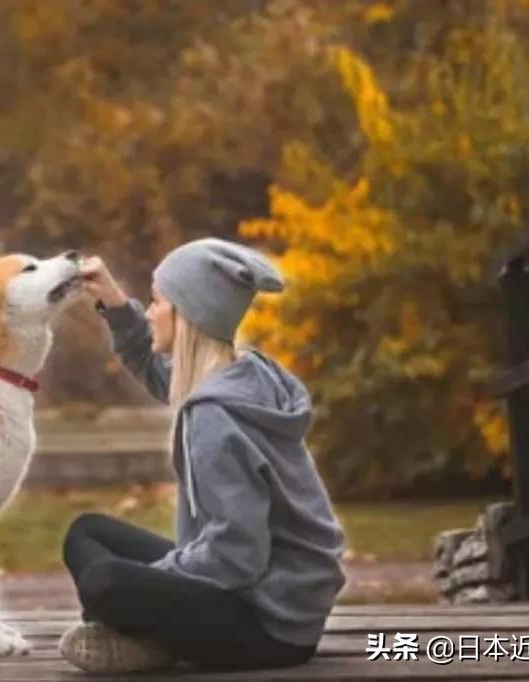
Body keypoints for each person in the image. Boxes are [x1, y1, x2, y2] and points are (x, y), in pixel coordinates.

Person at [58, 238, 347, 674]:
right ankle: (151, 636)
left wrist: (152, 587)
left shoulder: (215, 418)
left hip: (271, 625)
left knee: (105, 583)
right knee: (87, 532)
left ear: (188, 315)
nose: (151, 311)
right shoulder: (241, 371)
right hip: (267, 594)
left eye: (158, 302)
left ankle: (153, 640)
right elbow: (153, 368)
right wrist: (116, 303)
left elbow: (237, 555)